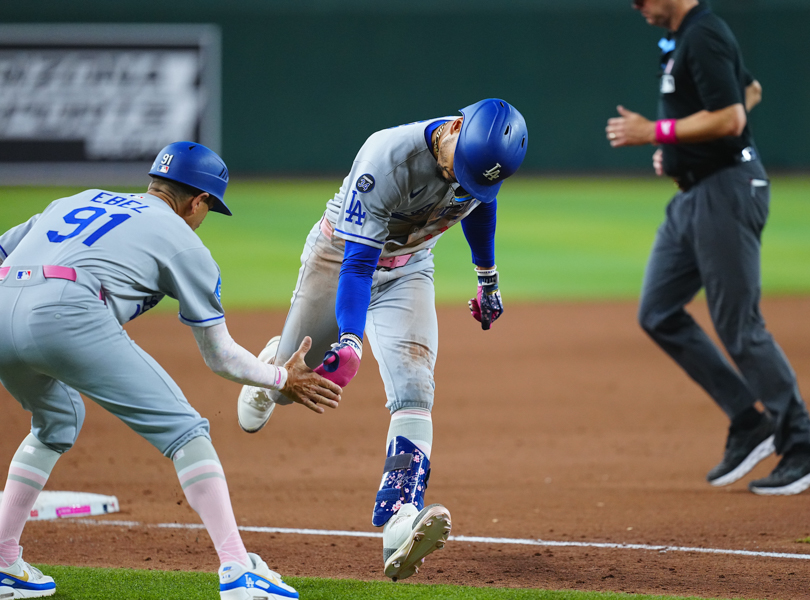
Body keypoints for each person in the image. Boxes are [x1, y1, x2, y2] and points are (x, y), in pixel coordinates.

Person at [0, 142, 342, 599]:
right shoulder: (183, 240)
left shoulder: (76, 200)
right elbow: (220, 356)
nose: (203, 218)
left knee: (58, 420)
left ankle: (3, 560)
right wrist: (282, 379)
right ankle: (238, 570)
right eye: (208, 208)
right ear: (197, 201)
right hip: (68, 310)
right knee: (187, 432)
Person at [236, 98, 528, 580]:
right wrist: (351, 340)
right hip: (340, 259)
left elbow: (480, 204)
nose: (461, 180)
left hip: (410, 270)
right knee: (288, 388)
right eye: (464, 168)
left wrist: (488, 278)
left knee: (415, 388)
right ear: (456, 127)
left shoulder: (475, 163)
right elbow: (357, 266)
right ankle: (271, 367)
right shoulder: (387, 158)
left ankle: (401, 521)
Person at [605, 0, 810, 495]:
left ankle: (805, 447)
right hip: (693, 195)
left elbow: (733, 117)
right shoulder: (686, 37)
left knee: (740, 328)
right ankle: (749, 421)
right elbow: (750, 90)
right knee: (658, 312)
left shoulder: (704, 34)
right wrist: (681, 148)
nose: (635, 4)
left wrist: (657, 133)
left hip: (726, 189)